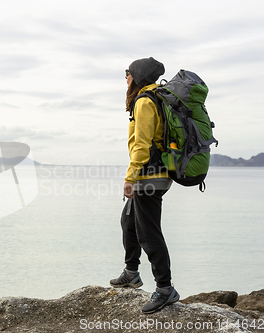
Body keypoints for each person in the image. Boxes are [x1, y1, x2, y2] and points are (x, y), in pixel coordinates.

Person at [109, 57, 180, 314]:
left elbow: (142, 143)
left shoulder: (145, 101)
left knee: (148, 233)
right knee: (129, 221)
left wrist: (130, 177)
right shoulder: (155, 97)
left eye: (127, 74)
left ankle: (165, 288)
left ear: (137, 76)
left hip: (149, 175)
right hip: (153, 172)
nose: (125, 79)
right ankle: (131, 272)